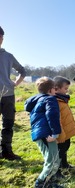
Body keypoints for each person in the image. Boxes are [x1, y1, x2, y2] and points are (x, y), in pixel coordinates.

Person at [24, 77, 62, 188]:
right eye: (55, 89)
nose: (55, 91)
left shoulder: (37, 100)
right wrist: (55, 133)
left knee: (50, 159)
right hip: (46, 134)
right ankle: (41, 183)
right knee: (53, 160)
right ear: (50, 90)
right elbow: (52, 115)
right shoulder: (50, 99)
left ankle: (48, 182)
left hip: (39, 133)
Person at [0, 26, 26, 160]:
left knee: (8, 124)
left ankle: (6, 151)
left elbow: (22, 71)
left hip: (8, 96)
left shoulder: (8, 56)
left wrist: (16, 82)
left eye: (1, 37)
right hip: (7, 95)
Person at [53, 76, 75, 170]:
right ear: (56, 88)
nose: (67, 91)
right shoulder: (55, 102)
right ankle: (58, 170)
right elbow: (56, 120)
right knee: (60, 150)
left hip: (65, 131)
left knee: (65, 148)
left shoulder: (62, 99)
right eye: (65, 88)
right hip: (61, 132)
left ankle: (64, 165)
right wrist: (60, 134)